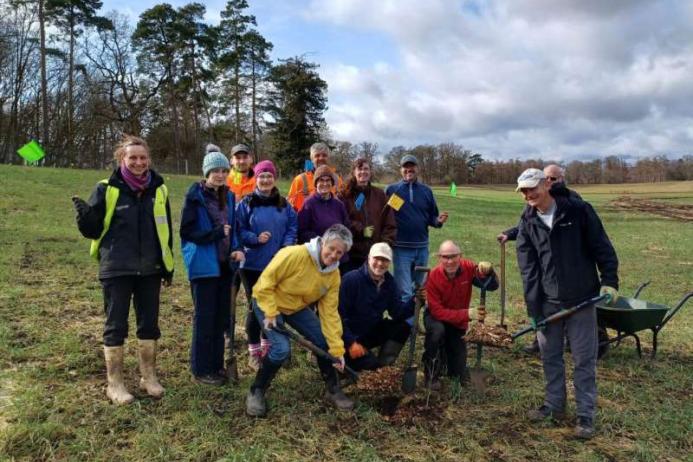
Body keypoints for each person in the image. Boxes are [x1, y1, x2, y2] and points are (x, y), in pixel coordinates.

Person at [515, 168, 619, 439]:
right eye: (523, 191)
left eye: (532, 188)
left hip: (582, 299)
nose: (528, 195)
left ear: (546, 185)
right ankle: (553, 405)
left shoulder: (578, 211)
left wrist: (609, 279)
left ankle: (585, 415)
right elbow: (528, 271)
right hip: (549, 303)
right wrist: (533, 310)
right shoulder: (527, 222)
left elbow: (602, 247)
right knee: (550, 357)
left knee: (584, 360)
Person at [72, 135, 173, 404]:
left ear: (148, 159)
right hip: (117, 267)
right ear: (122, 159)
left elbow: (165, 229)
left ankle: (148, 377)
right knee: (116, 325)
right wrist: (85, 221)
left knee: (149, 325)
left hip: (151, 268)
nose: (139, 162)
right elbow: (93, 230)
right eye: (133, 158)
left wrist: (167, 265)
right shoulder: (107, 189)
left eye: (142, 158)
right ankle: (115, 383)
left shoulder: (159, 189)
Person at [245, 225, 354, 417]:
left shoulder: (333, 275)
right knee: (281, 349)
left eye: (340, 252)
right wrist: (270, 312)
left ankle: (333, 389)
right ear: (323, 242)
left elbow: (329, 313)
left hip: (294, 307)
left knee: (324, 342)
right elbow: (265, 283)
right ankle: (257, 390)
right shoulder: (294, 254)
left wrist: (337, 350)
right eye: (331, 248)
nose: (334, 254)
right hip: (267, 300)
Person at [497, 164, 580, 355]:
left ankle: (571, 341)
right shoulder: (533, 203)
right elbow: (527, 225)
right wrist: (509, 234)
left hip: (569, 268)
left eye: (554, 179)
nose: (550, 182)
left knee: (568, 307)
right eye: (548, 178)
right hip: (545, 263)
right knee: (543, 302)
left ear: (561, 180)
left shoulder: (573, 201)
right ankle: (540, 341)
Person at [180, 146, 245, 385]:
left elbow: (234, 227)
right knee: (205, 318)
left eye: (223, 170)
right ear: (206, 172)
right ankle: (201, 369)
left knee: (221, 319)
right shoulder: (195, 196)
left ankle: (217, 366)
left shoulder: (229, 196)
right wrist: (215, 234)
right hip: (204, 266)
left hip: (225, 266)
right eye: (215, 171)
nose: (219, 175)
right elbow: (187, 232)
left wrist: (236, 247)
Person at [236, 160, 298, 371]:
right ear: (256, 178)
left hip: (277, 264)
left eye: (269, 176)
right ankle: (253, 351)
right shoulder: (246, 203)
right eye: (261, 176)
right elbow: (239, 230)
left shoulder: (284, 204)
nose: (265, 180)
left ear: (274, 178)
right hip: (252, 264)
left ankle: (267, 347)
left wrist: (287, 246)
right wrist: (254, 238)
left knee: (273, 307)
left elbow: (292, 226)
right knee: (255, 308)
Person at [423, 240, 497, 388]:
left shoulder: (468, 268)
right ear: (439, 258)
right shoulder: (433, 276)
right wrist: (467, 314)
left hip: (457, 323)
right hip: (436, 318)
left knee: (458, 373)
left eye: (453, 256)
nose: (449, 261)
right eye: (445, 257)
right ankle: (431, 374)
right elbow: (437, 311)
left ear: (460, 256)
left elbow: (491, 286)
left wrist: (488, 272)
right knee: (438, 332)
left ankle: (446, 355)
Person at [338, 243, 413, 371]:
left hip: (369, 334)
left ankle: (384, 364)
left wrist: (415, 301)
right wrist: (351, 343)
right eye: (376, 258)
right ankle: (353, 361)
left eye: (384, 260)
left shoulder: (389, 282)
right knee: (369, 367)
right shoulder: (351, 280)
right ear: (368, 258)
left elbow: (397, 313)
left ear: (389, 262)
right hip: (346, 336)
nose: (380, 263)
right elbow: (338, 316)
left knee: (403, 326)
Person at [385, 154, 448, 303]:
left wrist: (438, 221)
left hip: (422, 248)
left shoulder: (426, 191)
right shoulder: (393, 190)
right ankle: (407, 325)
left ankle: (414, 324)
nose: (408, 169)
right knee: (404, 291)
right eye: (405, 167)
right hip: (401, 249)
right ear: (400, 170)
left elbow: (432, 217)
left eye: (411, 166)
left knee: (418, 290)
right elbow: (386, 216)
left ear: (417, 168)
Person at [338, 158, 397, 274]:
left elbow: (390, 223)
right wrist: (360, 230)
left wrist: (384, 245)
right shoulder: (344, 195)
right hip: (351, 255)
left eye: (366, 169)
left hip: (375, 256)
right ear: (354, 172)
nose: (363, 172)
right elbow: (340, 221)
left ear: (370, 172)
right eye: (359, 169)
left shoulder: (380, 195)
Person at [297, 165, 350, 246]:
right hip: (316, 251)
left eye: (328, 180)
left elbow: (346, 228)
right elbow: (301, 231)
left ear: (332, 183)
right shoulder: (308, 204)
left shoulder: (339, 205)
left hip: (336, 250)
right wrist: (321, 241)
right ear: (316, 183)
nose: (325, 183)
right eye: (321, 180)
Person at [287, 142, 344, 211]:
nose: (321, 158)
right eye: (317, 155)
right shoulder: (300, 180)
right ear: (311, 159)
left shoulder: (337, 180)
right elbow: (289, 206)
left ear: (328, 158)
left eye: (324, 155)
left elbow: (343, 206)